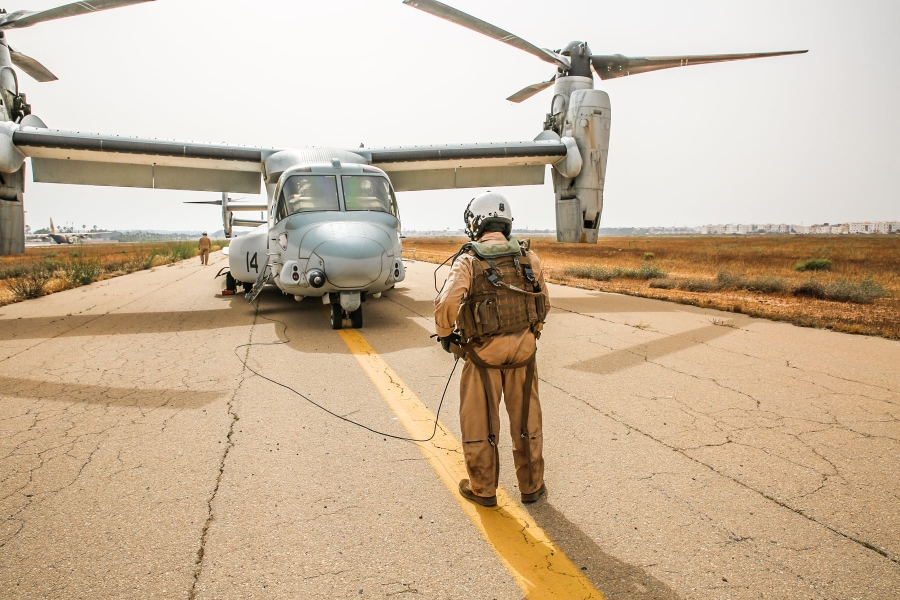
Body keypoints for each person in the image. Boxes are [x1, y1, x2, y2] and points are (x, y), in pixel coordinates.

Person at [434, 192, 550, 506]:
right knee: (528, 422)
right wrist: (531, 334)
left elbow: (446, 303)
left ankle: (483, 490)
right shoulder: (528, 257)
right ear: (506, 222)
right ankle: (531, 486)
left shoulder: (469, 260)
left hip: (484, 356)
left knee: (480, 423)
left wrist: (446, 335)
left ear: (475, 222)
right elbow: (543, 303)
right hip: (525, 355)